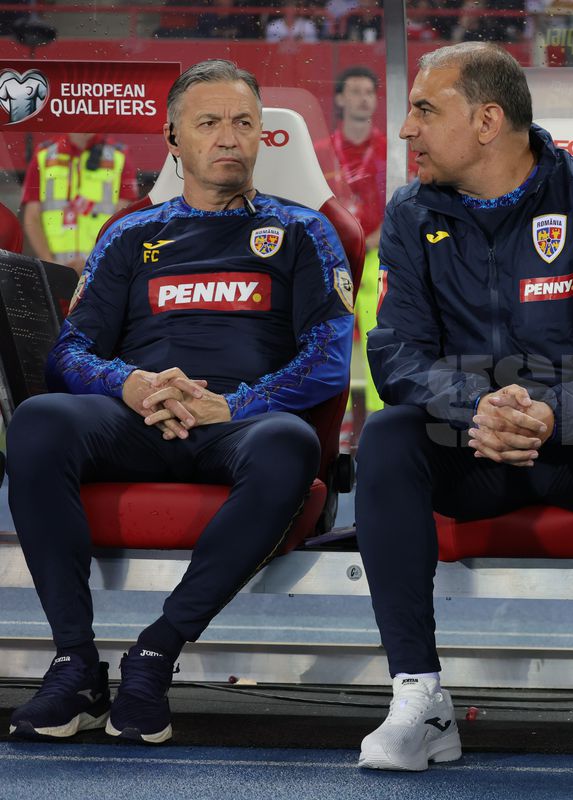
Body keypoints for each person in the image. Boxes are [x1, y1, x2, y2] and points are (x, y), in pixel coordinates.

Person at [354, 42, 573, 777]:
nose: (406, 130)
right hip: (469, 448)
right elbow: (395, 355)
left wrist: (553, 411)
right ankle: (420, 699)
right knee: (385, 437)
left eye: (424, 110)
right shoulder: (411, 213)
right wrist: (480, 408)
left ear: (486, 121)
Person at [6, 59, 353, 745]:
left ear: (260, 138)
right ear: (173, 140)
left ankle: (154, 654)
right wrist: (130, 386)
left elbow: (327, 359)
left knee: (292, 445)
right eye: (210, 123)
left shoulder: (304, 232)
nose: (229, 136)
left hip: (239, 427)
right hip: (137, 417)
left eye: (244, 123)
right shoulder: (131, 234)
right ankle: (74, 661)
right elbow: (69, 354)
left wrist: (234, 405)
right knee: (40, 419)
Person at [316, 66, 388, 419]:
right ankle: (333, 423)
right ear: (341, 99)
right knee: (330, 339)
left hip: (377, 255)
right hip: (333, 258)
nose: (363, 98)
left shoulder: (391, 150)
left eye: (369, 91)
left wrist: (379, 234)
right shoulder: (321, 151)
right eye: (355, 91)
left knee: (380, 335)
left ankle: (381, 416)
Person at [20, 132, 138, 274]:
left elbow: (126, 221)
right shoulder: (44, 155)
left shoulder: (118, 155)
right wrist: (50, 264)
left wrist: (94, 262)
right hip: (56, 270)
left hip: (102, 270)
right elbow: (31, 218)